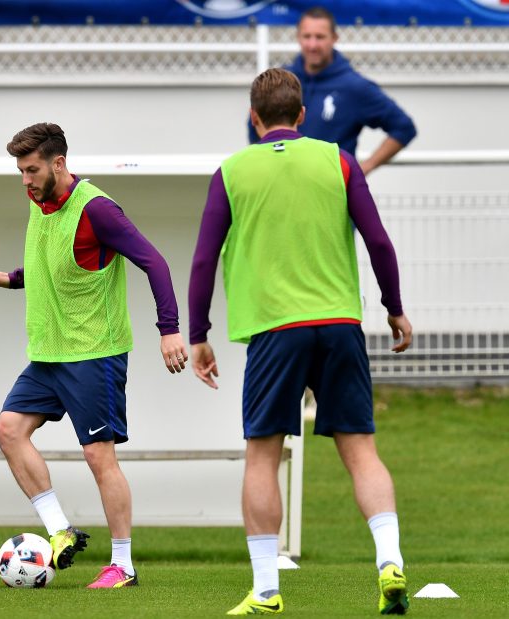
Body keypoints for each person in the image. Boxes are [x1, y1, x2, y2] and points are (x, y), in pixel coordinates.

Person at [190, 69, 413, 615]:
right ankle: (389, 560)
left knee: (263, 458)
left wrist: (197, 333)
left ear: (253, 117)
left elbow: (203, 258)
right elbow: (378, 240)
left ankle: (266, 590)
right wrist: (394, 307)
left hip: (274, 331)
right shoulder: (337, 159)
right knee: (361, 452)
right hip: (339, 325)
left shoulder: (232, 171)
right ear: (303, 115)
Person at [0, 122, 188, 589]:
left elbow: (155, 262)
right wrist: (11, 278)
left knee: (99, 458)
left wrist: (169, 331)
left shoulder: (98, 209)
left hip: (95, 354)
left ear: (59, 164)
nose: (25, 180)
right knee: (7, 430)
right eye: (19, 171)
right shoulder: (40, 203)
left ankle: (123, 566)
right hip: (50, 355)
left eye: (32, 169)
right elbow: (54, 266)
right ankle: (59, 531)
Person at [248, 6, 417, 175]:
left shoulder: (354, 87)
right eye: (307, 36)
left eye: (320, 37)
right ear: (298, 37)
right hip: (282, 189)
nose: (312, 45)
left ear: (334, 38)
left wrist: (364, 168)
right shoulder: (282, 81)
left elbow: (404, 127)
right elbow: (254, 125)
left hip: (331, 194)